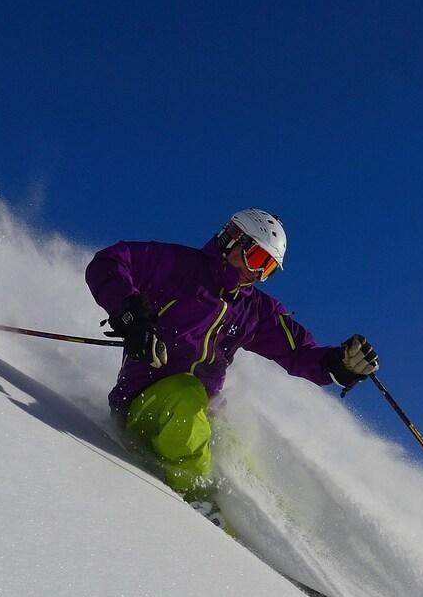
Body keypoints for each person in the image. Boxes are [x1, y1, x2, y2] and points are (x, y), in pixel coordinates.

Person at [84, 208, 378, 499]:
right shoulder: (179, 267)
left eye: (269, 269)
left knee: (237, 449)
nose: (257, 273)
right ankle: (194, 501)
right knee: (186, 394)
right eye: (258, 259)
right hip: (143, 405)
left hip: (201, 413)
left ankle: (260, 520)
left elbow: (299, 352)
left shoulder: (253, 310)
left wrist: (338, 364)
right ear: (232, 239)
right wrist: (131, 315)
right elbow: (109, 263)